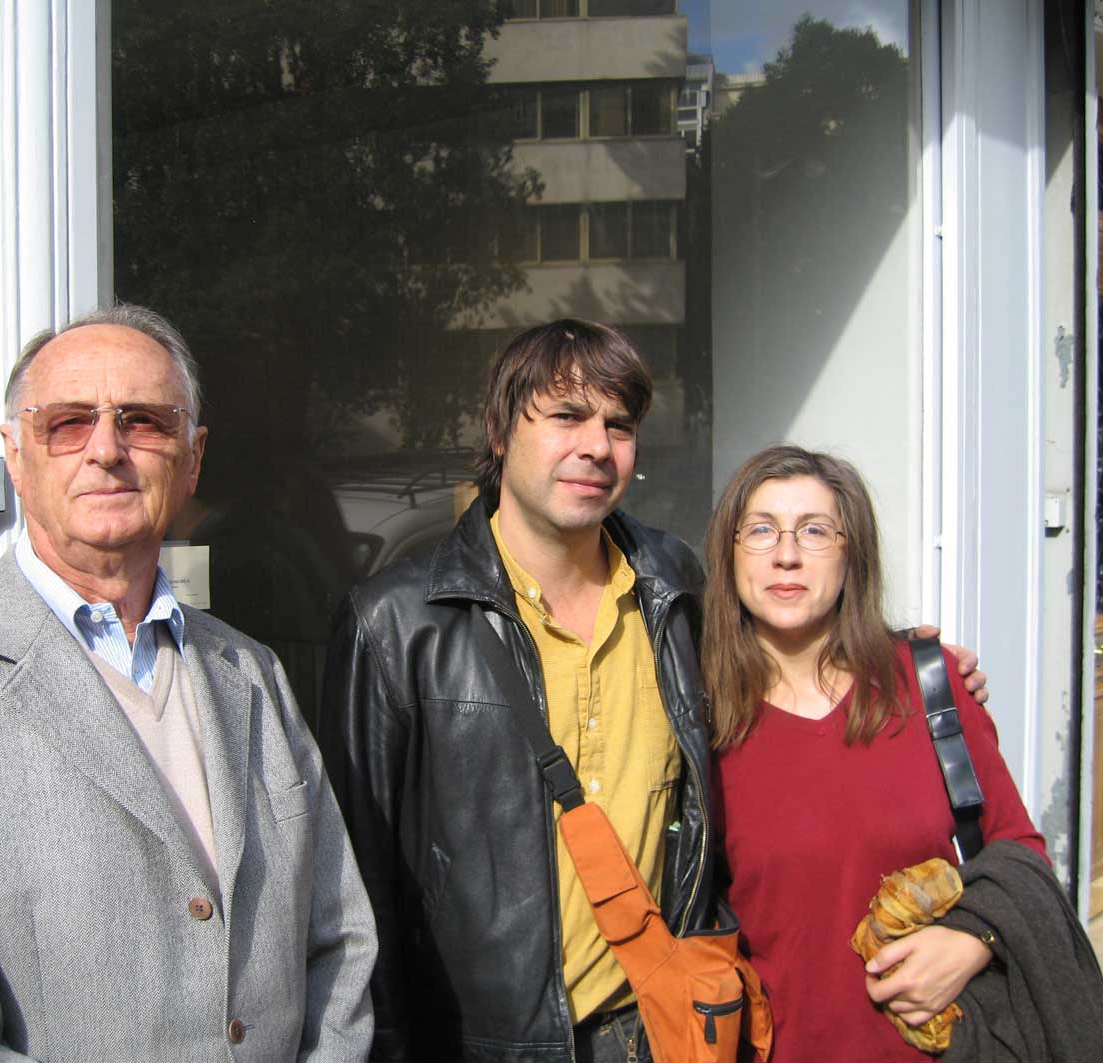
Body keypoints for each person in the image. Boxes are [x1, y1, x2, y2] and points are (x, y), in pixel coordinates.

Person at [318, 323, 985, 1063]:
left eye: (619, 425)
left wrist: (904, 660)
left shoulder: (673, 585)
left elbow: (781, 645)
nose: (596, 447)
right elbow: (353, 889)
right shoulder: (394, 624)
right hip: (487, 1046)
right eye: (567, 415)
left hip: (661, 1029)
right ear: (500, 431)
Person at [0, 305, 377, 1063]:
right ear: (16, 456)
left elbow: (339, 939)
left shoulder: (249, 669)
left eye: (143, 421)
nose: (106, 449)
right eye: (68, 423)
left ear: (193, 458)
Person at [703, 445, 1103, 1062]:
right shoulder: (698, 718)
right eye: (760, 530)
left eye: (815, 531)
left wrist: (974, 940)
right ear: (729, 553)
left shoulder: (929, 685)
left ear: (852, 554)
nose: (786, 554)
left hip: (942, 1048)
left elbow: (1020, 848)